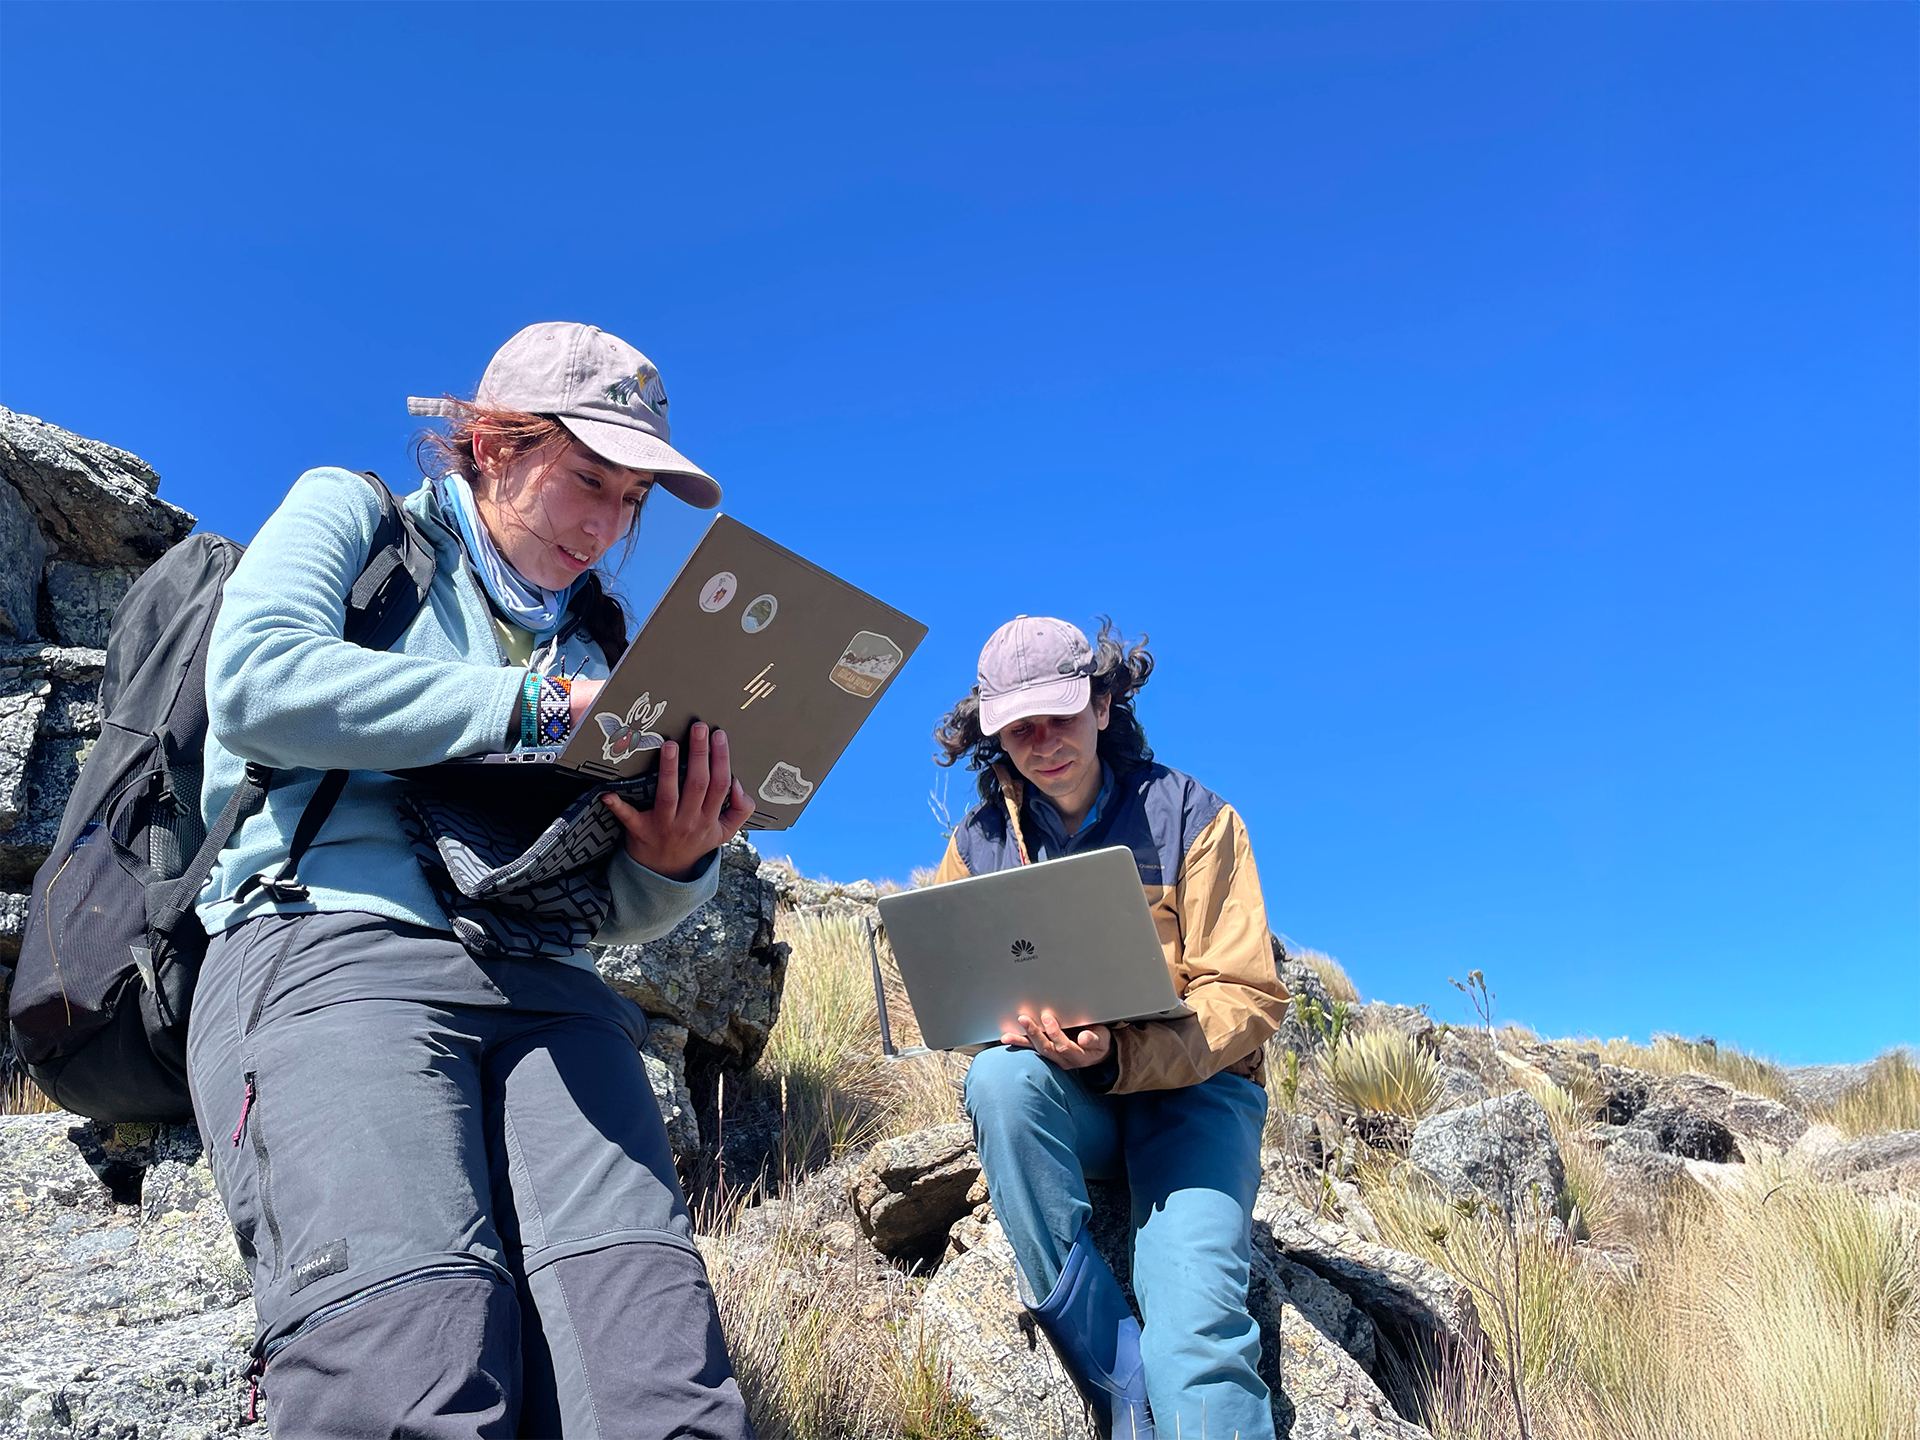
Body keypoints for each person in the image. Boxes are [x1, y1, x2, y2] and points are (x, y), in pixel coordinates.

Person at [187, 322, 757, 1438]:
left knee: (658, 1390)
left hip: (551, 984)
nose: (607, 524)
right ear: (491, 445)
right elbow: (256, 683)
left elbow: (608, 905)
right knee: (408, 1369)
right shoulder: (359, 520)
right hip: (331, 946)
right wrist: (535, 710)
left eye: (633, 500)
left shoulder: (598, 642)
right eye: (589, 478)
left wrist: (676, 855)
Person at [931, 616, 1291, 1440]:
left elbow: (1246, 995)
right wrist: (1021, 1034)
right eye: (1017, 726)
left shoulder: (1194, 816)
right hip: (1072, 1095)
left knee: (1197, 1335)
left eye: (1060, 713)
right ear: (992, 734)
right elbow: (952, 999)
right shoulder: (977, 845)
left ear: (1102, 703)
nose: (1042, 740)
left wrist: (1117, 1054)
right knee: (998, 1081)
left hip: (1196, 1098)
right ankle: (1111, 1370)